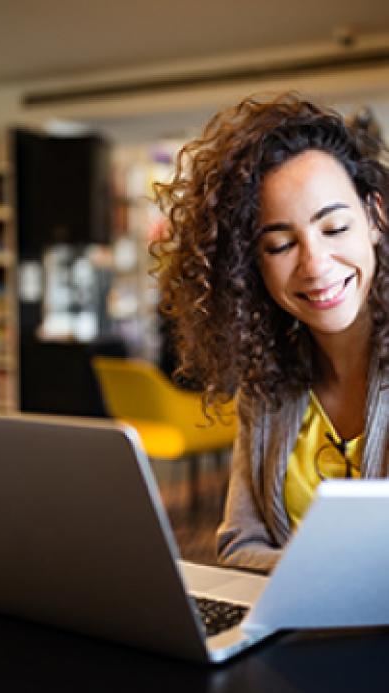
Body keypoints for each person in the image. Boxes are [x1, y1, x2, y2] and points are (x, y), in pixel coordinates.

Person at [154, 92, 389, 574]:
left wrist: (305, 572)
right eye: (281, 244)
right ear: (251, 265)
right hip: (293, 641)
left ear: (374, 217)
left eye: (335, 228)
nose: (315, 265)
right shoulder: (265, 384)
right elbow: (238, 544)